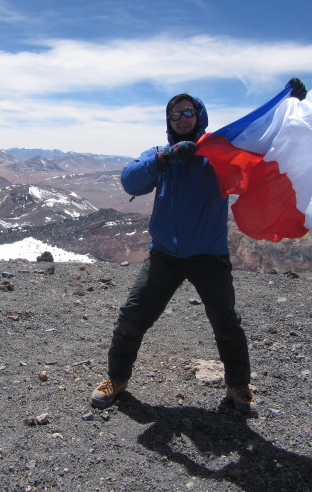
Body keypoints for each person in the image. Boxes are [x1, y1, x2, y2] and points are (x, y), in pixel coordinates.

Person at [91, 92, 257, 415]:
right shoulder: (160, 155)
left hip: (209, 255)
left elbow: (256, 157)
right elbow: (130, 180)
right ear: (169, 122)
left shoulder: (218, 153)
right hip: (165, 254)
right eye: (175, 115)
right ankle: (116, 378)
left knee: (226, 322)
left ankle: (238, 384)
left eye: (188, 112)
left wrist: (286, 102)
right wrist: (165, 158)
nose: (182, 118)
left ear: (199, 115)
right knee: (133, 316)